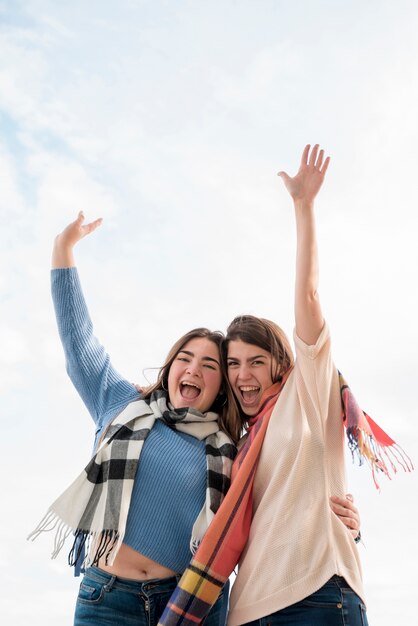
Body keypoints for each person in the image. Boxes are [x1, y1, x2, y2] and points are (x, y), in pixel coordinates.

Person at [157, 145, 412, 626]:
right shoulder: (234, 437)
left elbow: (309, 295)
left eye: (257, 361)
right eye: (233, 364)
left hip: (317, 597)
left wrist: (304, 207)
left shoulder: (308, 391)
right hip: (249, 608)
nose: (243, 374)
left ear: (281, 363)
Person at [28, 211, 240, 626]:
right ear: (170, 367)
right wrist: (63, 250)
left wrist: (346, 519)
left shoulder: (229, 446)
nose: (194, 369)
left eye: (209, 365)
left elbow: (276, 502)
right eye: (185, 358)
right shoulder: (121, 402)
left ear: (222, 386)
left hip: (190, 602)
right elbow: (79, 341)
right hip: (108, 598)